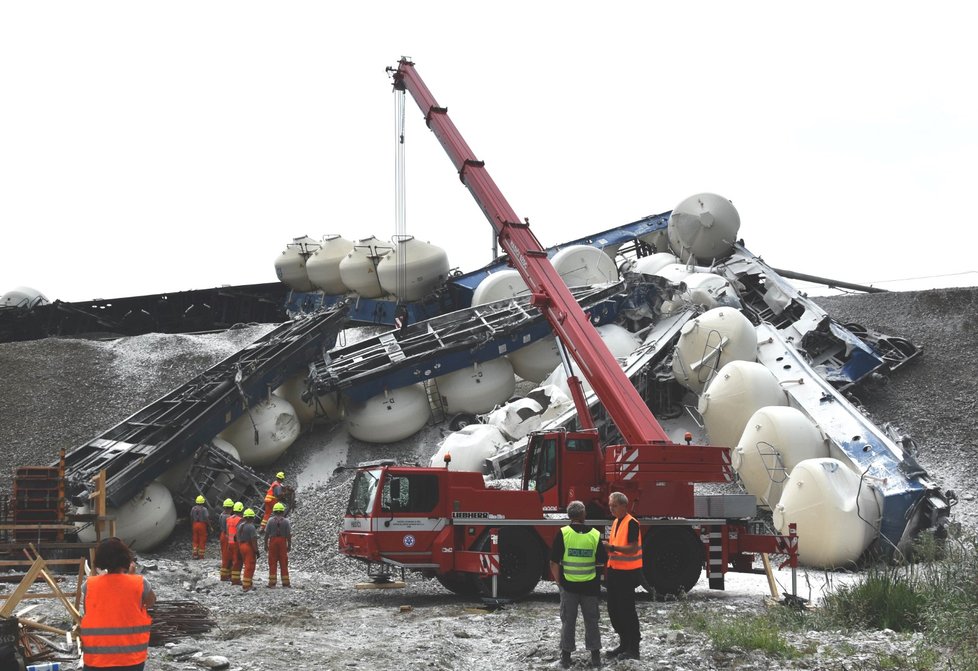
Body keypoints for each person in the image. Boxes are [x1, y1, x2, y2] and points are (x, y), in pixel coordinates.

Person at [78, 537, 156, 670]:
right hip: (131, 659)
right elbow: (150, 602)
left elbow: (88, 612)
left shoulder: (89, 585)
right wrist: (131, 577)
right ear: (126, 558)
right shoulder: (139, 583)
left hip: (96, 659)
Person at [549, 500, 606, 669]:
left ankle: (566, 658)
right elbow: (601, 562)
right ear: (583, 515)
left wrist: (561, 584)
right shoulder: (595, 534)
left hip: (569, 587)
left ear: (569, 516)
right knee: (592, 621)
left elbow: (554, 562)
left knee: (568, 621)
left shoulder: (563, 533)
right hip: (590, 587)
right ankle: (595, 657)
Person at [603, 491, 643, 661]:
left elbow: (633, 549)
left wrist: (611, 548)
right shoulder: (616, 521)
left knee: (627, 611)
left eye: (614, 506)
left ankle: (633, 649)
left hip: (627, 574)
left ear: (623, 506)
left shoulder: (631, 523)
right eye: (610, 505)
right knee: (614, 610)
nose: (611, 509)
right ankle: (624, 643)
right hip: (615, 572)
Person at [264, 501, 292, 588]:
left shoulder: (270, 521)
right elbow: (288, 535)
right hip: (283, 542)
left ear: (274, 511)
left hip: (273, 541)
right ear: (283, 511)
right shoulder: (286, 521)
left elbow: (266, 534)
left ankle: (272, 583)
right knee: (283, 562)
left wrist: (265, 544)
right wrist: (289, 545)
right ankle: (286, 583)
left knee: (272, 562)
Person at [237, 508, 260, 592]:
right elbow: (253, 540)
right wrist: (256, 551)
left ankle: (249, 583)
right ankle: (246, 585)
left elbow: (237, 537)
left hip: (241, 545)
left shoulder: (240, 525)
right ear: (251, 517)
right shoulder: (251, 527)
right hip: (248, 546)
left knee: (246, 564)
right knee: (249, 566)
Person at [226, 502, 244, 585]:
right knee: (238, 561)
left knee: (231, 559)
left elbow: (227, 531)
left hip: (230, 541)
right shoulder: (240, 520)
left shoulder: (229, 518)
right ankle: (235, 580)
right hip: (236, 542)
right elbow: (240, 532)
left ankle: (230, 575)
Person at [217, 498, 234, 580]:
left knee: (226, 555)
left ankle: (228, 574)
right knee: (227, 556)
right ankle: (224, 576)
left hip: (222, 535)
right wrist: (232, 541)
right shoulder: (229, 517)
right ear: (231, 507)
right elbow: (229, 530)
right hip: (227, 536)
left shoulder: (221, 515)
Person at [190, 495, 209, 560]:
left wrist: (192, 524)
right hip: (202, 525)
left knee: (195, 539)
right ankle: (201, 556)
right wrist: (210, 525)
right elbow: (206, 517)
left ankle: (195, 554)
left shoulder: (193, 508)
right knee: (202, 539)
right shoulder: (204, 509)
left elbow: (191, 517)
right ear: (203, 502)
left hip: (195, 524)